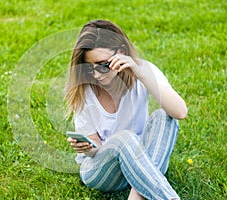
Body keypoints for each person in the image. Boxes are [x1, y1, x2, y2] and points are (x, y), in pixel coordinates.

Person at [64, 20, 187, 200]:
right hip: (102, 170)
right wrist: (87, 148)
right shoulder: (84, 90)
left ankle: (136, 194)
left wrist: (140, 72)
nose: (96, 75)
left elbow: (180, 112)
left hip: (139, 162)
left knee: (164, 116)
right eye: (90, 68)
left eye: (102, 65)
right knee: (124, 138)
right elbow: (95, 152)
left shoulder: (144, 70)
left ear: (121, 52)